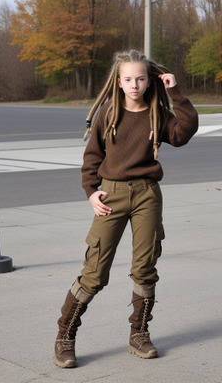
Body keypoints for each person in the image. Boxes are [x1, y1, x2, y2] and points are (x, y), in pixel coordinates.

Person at [53, 49, 198, 368]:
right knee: (94, 273)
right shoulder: (108, 113)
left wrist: (176, 92)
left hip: (147, 195)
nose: (135, 84)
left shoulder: (158, 114)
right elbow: (91, 157)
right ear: (119, 82)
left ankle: (139, 333)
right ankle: (65, 336)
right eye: (129, 79)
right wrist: (91, 192)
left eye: (141, 78)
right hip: (111, 196)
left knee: (145, 268)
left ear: (149, 81)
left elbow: (183, 133)